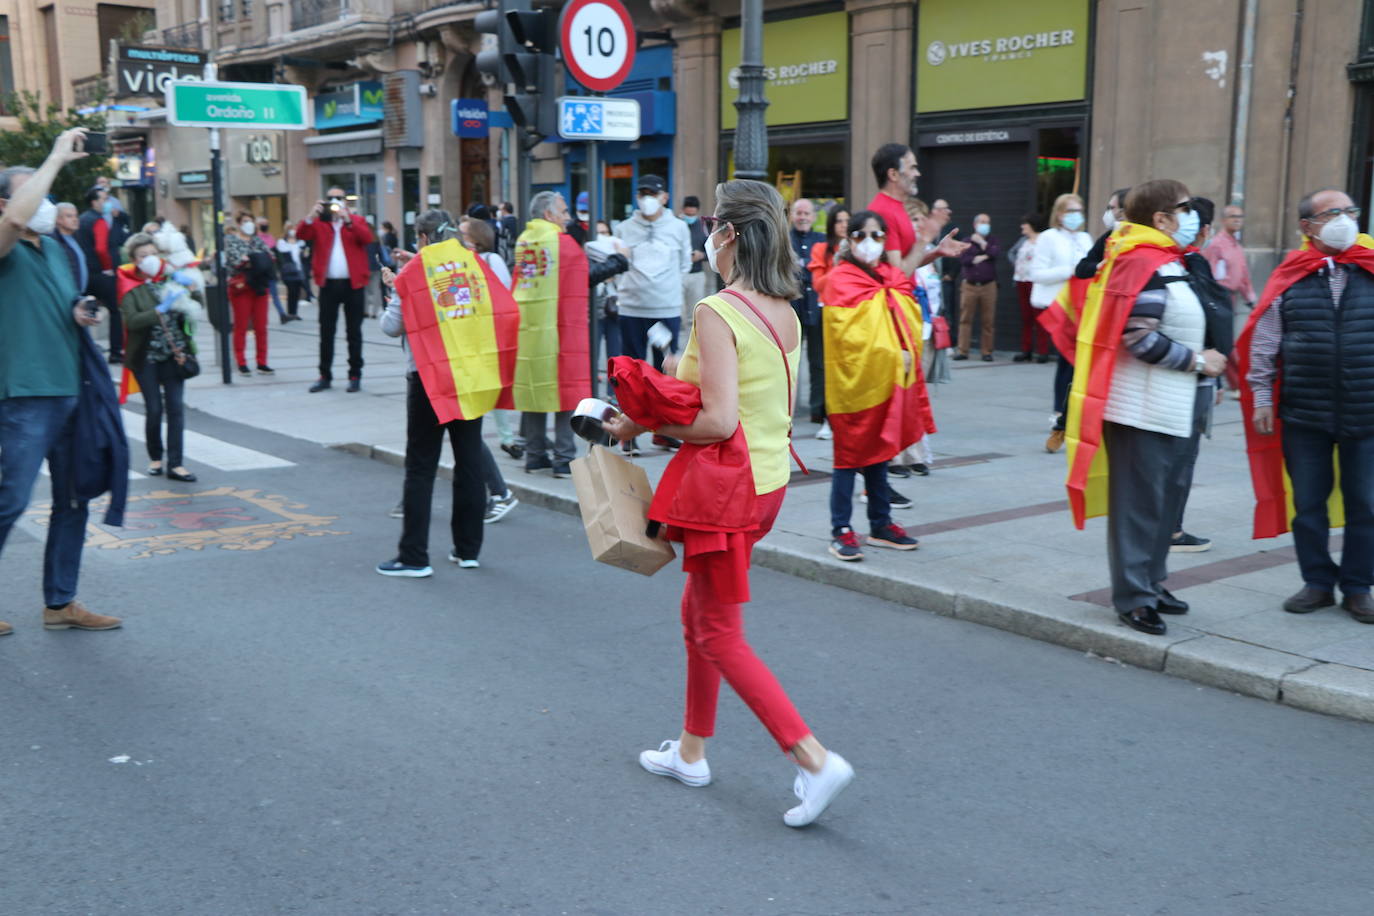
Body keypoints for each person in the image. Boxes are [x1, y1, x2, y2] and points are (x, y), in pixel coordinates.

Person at [604, 178, 855, 828]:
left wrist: (646, 427)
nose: (707, 233)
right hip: (768, 483)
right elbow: (760, 407)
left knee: (717, 630)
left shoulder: (719, 311)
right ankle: (691, 751)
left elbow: (715, 421)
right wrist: (644, 423)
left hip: (727, 487)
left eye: (714, 223)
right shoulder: (788, 310)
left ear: (731, 236)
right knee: (698, 618)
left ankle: (813, 759)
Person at [1062, 179, 1227, 636]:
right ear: (1160, 219)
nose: (1191, 215)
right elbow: (1138, 338)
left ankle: (1152, 584)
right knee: (1140, 506)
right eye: (1184, 207)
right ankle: (1134, 597)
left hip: (1173, 404)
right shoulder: (1144, 263)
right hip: (1142, 409)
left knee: (1165, 503)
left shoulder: (1169, 261)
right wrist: (1198, 361)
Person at [0, 130, 125, 637]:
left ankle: (60, 602)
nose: (46, 202)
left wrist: (79, 311)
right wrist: (55, 156)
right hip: (26, 394)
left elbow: (65, 300)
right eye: (36, 190)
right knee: (10, 498)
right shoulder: (6, 241)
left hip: (73, 387)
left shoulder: (55, 249)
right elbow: (12, 220)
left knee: (75, 498)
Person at [1239, 188, 1374, 622]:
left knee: (1366, 504)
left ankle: (1357, 587)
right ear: (1307, 227)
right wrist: (1261, 396)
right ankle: (1316, 582)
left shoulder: (1371, 269)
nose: (1346, 219)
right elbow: (1264, 341)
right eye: (1333, 212)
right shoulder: (1290, 275)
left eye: (1350, 211)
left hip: (1367, 411)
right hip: (1304, 412)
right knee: (1309, 503)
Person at [375, 209, 519, 575]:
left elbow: (392, 327)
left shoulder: (414, 272)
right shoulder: (472, 264)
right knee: (469, 461)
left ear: (421, 238)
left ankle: (413, 556)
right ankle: (467, 550)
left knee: (421, 466)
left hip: (428, 378)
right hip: (470, 375)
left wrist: (394, 289)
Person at [822, 209, 929, 561]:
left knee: (880, 454)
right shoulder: (841, 279)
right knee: (848, 458)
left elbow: (908, 315)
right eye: (861, 235)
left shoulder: (890, 275)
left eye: (877, 236)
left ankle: (881, 524)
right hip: (852, 386)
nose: (870, 242)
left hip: (887, 381)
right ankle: (840, 529)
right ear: (848, 240)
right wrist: (893, 354)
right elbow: (848, 337)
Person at [1167, 197, 1233, 555]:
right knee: (1179, 457)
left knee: (1175, 458)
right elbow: (1213, 323)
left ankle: (1165, 528)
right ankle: (1170, 531)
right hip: (1188, 374)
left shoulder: (1170, 261)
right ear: (1205, 230)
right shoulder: (1188, 262)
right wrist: (1210, 369)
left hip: (1190, 374)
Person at [513, 191, 590, 478]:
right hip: (559, 327)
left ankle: (534, 456)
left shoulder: (524, 240)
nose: (568, 217)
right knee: (565, 390)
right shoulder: (562, 243)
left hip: (530, 329)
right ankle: (563, 458)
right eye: (564, 211)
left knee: (535, 389)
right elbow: (584, 276)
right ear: (548, 215)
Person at [118, 232, 201, 482]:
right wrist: (160, 310)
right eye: (143, 256)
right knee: (154, 409)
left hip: (174, 355)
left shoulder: (171, 278)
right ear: (134, 260)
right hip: (147, 358)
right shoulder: (129, 285)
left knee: (175, 409)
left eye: (154, 254)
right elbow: (131, 321)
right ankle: (155, 456)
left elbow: (195, 306)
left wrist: (190, 288)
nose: (150, 259)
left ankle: (176, 464)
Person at [1032, 193, 1093, 452]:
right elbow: (1037, 273)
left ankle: (1073, 415)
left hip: (1082, 307)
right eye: (1070, 210)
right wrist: (1070, 270)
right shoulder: (1048, 237)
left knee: (1078, 364)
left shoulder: (1085, 238)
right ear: (1059, 213)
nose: (1075, 215)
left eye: (1079, 210)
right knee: (1067, 363)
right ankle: (1059, 414)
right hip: (1058, 306)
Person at [297, 186, 375, 392]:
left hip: (354, 285)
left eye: (339, 198)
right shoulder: (320, 223)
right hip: (329, 285)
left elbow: (366, 238)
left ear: (346, 201)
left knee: (354, 332)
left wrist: (347, 219)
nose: (335, 202)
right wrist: (311, 215)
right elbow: (301, 234)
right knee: (326, 332)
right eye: (331, 199)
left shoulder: (356, 221)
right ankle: (325, 375)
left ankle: (355, 375)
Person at [614, 174, 692, 369]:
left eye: (653, 193)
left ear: (664, 197)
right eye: (643, 193)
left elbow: (685, 264)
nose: (647, 198)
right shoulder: (623, 228)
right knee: (632, 370)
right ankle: (633, 402)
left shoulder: (679, 227)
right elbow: (617, 264)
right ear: (636, 197)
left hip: (666, 307)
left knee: (665, 368)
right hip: (631, 308)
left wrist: (669, 288)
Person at [806, 204, 850, 441]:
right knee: (824, 365)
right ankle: (825, 418)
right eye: (839, 221)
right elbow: (819, 284)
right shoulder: (821, 249)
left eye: (847, 221)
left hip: (853, 313)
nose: (844, 225)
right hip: (826, 312)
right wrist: (838, 264)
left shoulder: (860, 249)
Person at [76, 185, 127, 363]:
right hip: (101, 273)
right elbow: (101, 248)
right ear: (94, 202)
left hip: (84, 273)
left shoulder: (81, 220)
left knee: (87, 309)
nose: (107, 203)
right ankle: (116, 351)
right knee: (115, 311)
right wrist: (107, 268)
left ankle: (86, 349)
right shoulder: (98, 221)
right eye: (104, 199)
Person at [787, 198, 826, 425]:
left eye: (806, 213)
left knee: (818, 362)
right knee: (790, 361)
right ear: (792, 215)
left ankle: (817, 408)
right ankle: (787, 407)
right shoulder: (784, 240)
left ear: (813, 217)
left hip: (817, 308)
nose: (802, 217)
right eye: (798, 213)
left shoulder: (821, 241)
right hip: (792, 309)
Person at [223, 211, 274, 376]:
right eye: (245, 221)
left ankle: (262, 362)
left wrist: (252, 260)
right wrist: (256, 260)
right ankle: (241, 361)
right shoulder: (231, 240)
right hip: (241, 287)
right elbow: (237, 261)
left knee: (261, 326)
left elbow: (270, 258)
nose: (249, 224)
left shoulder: (257, 240)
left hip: (259, 286)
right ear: (239, 224)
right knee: (241, 326)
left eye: (251, 221)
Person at [954, 213, 1001, 361]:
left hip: (989, 286)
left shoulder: (993, 240)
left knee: (988, 321)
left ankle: (987, 352)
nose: (985, 224)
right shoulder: (966, 241)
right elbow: (964, 259)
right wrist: (981, 256)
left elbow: (995, 253)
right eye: (982, 222)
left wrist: (981, 243)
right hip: (969, 285)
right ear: (975, 225)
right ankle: (962, 351)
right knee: (965, 319)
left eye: (987, 222)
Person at [1202, 204, 1256, 313]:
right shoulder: (1216, 244)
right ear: (1224, 220)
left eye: (1240, 217)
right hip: (1218, 299)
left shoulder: (1237, 246)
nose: (1237, 220)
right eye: (1233, 216)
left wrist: (1251, 299)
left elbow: (1243, 276)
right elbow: (1209, 275)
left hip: (1231, 300)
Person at [1010, 213, 1046, 362]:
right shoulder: (1023, 240)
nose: (1022, 226)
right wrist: (1017, 266)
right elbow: (1012, 253)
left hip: (1036, 282)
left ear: (1031, 225)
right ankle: (1026, 350)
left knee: (1040, 318)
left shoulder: (1044, 240)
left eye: (1024, 224)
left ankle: (1042, 352)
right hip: (1021, 280)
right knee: (1026, 318)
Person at [680, 195, 711, 336]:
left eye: (692, 214)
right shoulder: (676, 225)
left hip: (697, 273)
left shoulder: (704, 226)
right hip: (678, 274)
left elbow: (712, 249)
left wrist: (701, 255)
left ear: (697, 211)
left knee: (695, 313)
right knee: (678, 312)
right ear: (682, 210)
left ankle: (692, 341)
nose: (690, 217)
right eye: (687, 214)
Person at [51, 202, 88, 294]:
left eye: (76, 216)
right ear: (58, 219)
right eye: (69, 216)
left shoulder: (76, 236)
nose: (75, 219)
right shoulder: (54, 242)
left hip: (79, 294)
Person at [275, 225, 306, 321]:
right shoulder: (282, 242)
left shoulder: (300, 242)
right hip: (288, 271)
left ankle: (294, 313)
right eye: (291, 230)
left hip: (298, 270)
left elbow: (303, 254)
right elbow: (282, 253)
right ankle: (290, 313)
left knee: (296, 292)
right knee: (291, 291)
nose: (293, 231)